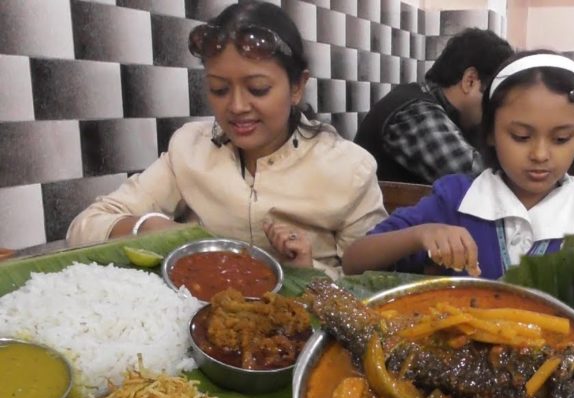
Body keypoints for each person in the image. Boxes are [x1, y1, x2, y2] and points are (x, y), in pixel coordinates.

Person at [66, 1, 387, 277]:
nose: (236, 107)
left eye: (258, 89)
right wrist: (148, 228)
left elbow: (372, 283)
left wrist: (307, 270)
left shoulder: (350, 169)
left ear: (297, 87)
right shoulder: (189, 149)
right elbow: (85, 228)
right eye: (219, 89)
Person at [343, 50, 574, 279]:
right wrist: (421, 234)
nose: (540, 154)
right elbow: (354, 260)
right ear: (489, 131)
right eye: (521, 136)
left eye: (561, 139)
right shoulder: (455, 201)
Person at [354, 28, 513, 184]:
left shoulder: (451, 115)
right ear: (470, 81)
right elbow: (481, 181)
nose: (496, 109)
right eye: (497, 97)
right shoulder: (414, 113)